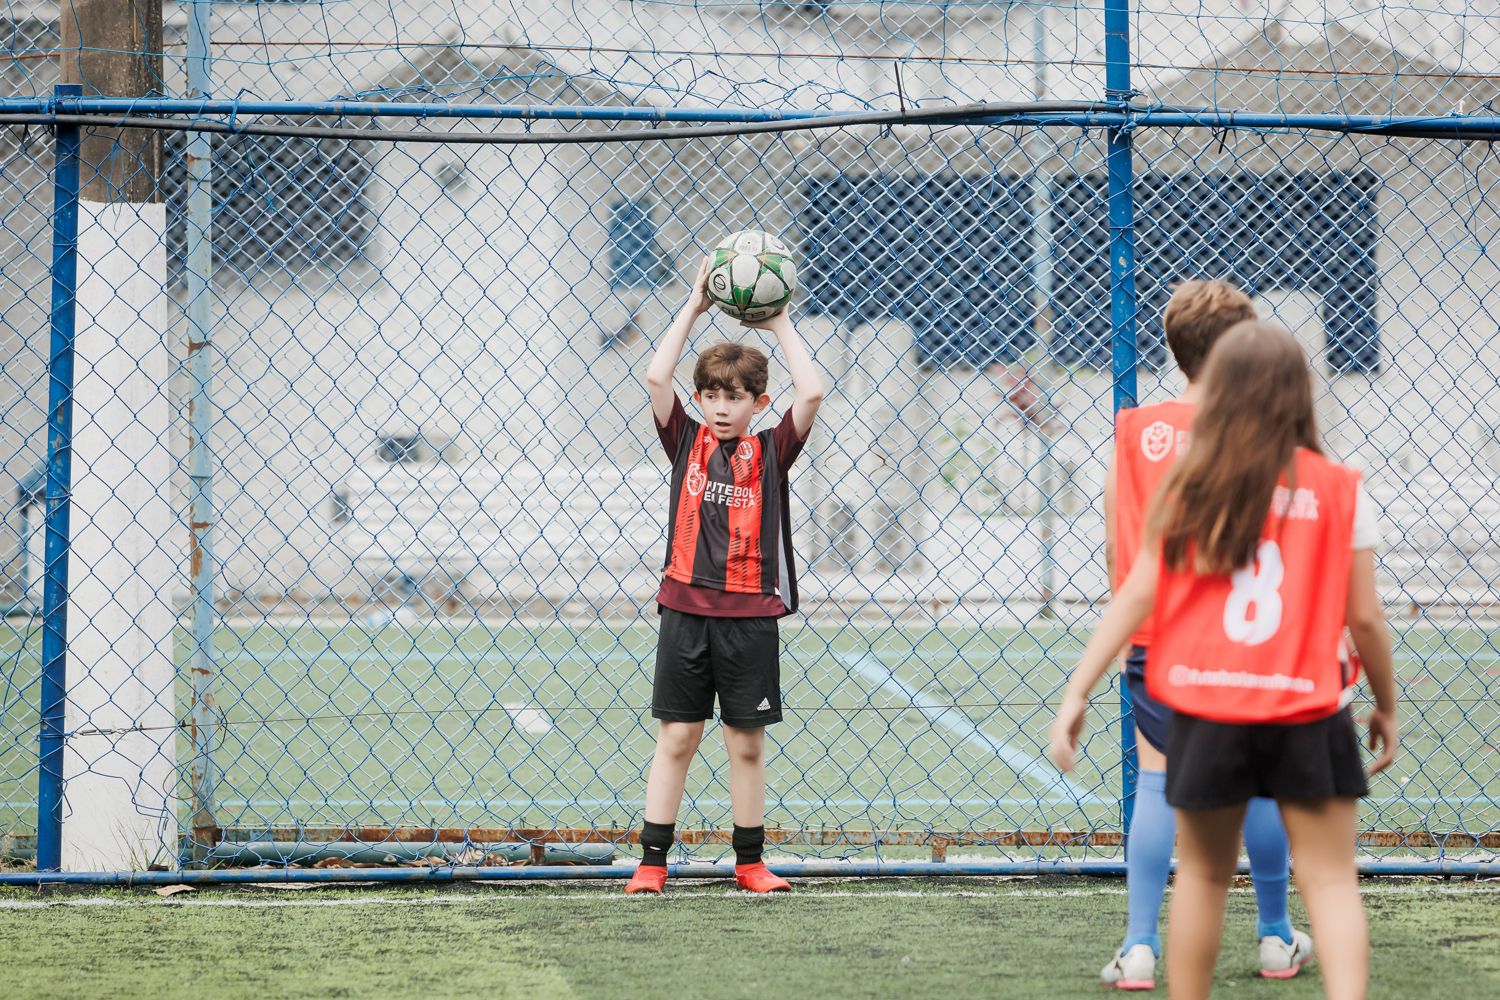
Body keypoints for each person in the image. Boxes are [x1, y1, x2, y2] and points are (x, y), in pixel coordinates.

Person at [1051, 320, 1399, 1000]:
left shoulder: (1190, 484)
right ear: (1300, 395)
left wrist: (1077, 688)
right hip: (1307, 703)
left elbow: (1138, 590)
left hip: (1210, 703)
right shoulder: (1338, 486)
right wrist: (1385, 703)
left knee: (1204, 879)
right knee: (1330, 881)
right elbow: (1365, 618)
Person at [1099, 281, 1312, 989]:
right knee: (1258, 787)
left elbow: (1117, 545)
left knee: (1157, 782)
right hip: (1244, 643)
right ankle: (1277, 937)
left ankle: (1138, 948)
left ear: (1173, 346)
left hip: (1157, 636)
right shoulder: (1266, 432)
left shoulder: (1136, 429)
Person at [625, 256, 825, 895]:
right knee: (678, 735)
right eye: (709, 395)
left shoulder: (771, 449)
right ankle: (652, 863)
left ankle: (750, 863)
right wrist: (692, 305)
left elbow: (812, 391)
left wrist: (782, 320)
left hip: (748, 616)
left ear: (757, 403)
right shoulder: (684, 438)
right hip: (685, 610)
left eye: (733, 397)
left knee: (745, 745)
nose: (718, 407)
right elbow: (657, 375)